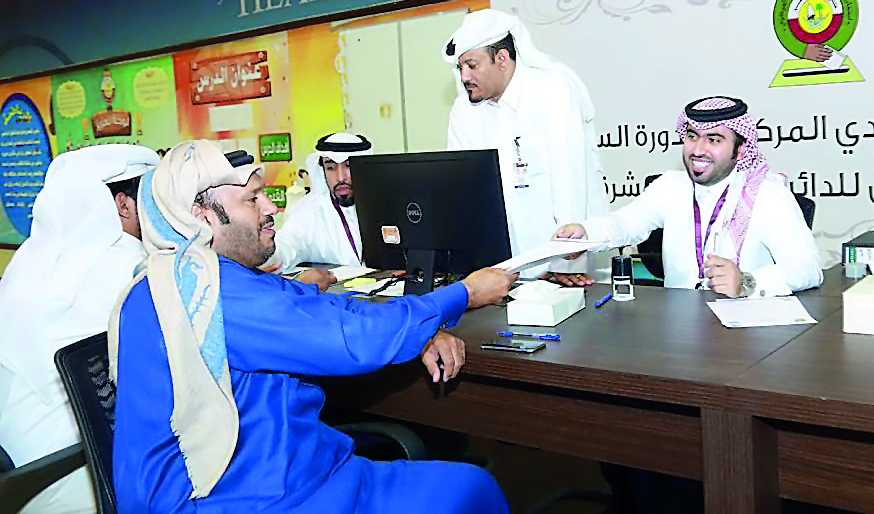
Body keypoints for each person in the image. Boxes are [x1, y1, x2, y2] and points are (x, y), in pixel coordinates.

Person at [109, 139, 515, 513]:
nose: (270, 208)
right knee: (471, 490)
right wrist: (465, 293)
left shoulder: (175, 279)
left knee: (469, 487)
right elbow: (354, 338)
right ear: (201, 216)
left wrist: (422, 326)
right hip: (250, 496)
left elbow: (319, 310)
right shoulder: (216, 293)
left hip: (273, 471)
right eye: (253, 199)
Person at [0, 144, 159, 513]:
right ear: (124, 205)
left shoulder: (28, 262)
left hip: (23, 478)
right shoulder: (127, 264)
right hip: (81, 474)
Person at [557, 96, 822, 296]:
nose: (698, 149)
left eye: (714, 140)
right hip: (679, 331)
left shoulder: (767, 194)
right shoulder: (670, 186)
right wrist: (585, 233)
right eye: (692, 137)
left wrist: (748, 282)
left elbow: (808, 267)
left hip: (748, 335)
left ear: (740, 150)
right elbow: (626, 223)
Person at [443, 9, 607, 282]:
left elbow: (570, 179)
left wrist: (564, 263)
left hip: (559, 263)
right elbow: (462, 189)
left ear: (502, 59)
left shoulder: (552, 89)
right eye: (460, 67)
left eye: (472, 65)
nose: (464, 76)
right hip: (500, 266)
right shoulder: (464, 110)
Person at [266, 133, 372, 274]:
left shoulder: (387, 204)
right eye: (331, 168)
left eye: (348, 166)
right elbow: (286, 245)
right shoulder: (310, 212)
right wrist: (263, 255)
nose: (341, 178)